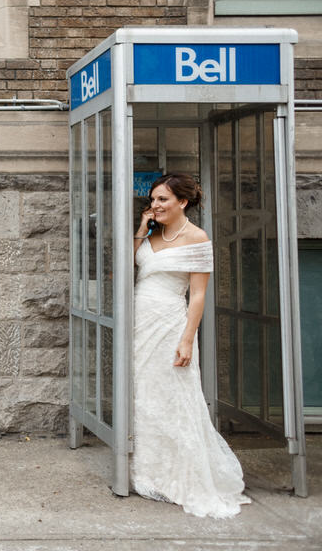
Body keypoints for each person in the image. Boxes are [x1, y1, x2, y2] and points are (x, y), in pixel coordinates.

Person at [130, 172, 250, 518]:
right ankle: (147, 469)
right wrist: (142, 225)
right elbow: (127, 262)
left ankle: (178, 475)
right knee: (145, 395)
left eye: (163, 200)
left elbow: (198, 295)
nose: (155, 205)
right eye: (153, 200)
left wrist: (187, 340)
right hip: (140, 322)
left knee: (173, 397)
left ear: (183, 202)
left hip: (170, 325)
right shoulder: (153, 231)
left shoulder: (197, 238)